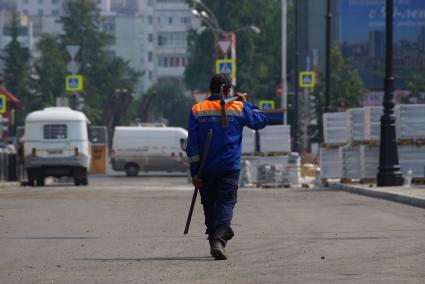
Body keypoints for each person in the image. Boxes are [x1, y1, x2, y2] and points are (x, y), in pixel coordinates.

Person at [186, 73, 267, 260]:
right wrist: (246, 103)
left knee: (209, 205)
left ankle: (215, 240)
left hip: (206, 168)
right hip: (229, 167)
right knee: (225, 203)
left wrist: (195, 172)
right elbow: (261, 120)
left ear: (210, 89)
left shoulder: (197, 109)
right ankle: (220, 238)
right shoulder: (238, 107)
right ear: (229, 90)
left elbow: (192, 146)